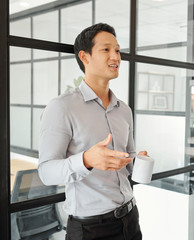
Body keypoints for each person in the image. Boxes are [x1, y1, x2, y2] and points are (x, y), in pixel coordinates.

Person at [38, 23, 145, 240]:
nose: (115, 56)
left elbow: (128, 160)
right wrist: (86, 159)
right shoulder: (62, 107)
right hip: (91, 230)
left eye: (117, 50)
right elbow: (46, 172)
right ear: (84, 57)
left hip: (130, 218)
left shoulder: (124, 110)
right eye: (106, 49)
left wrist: (138, 160)